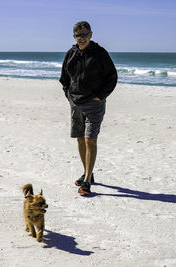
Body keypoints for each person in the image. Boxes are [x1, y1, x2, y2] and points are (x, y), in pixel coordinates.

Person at [59, 21, 118, 195]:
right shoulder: (70, 54)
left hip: (94, 104)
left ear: (91, 35)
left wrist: (100, 96)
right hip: (76, 104)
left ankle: (86, 182)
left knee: (90, 140)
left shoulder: (100, 54)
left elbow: (112, 77)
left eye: (85, 34)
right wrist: (69, 96)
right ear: (74, 37)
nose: (82, 38)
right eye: (79, 35)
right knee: (80, 139)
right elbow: (64, 79)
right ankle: (88, 173)